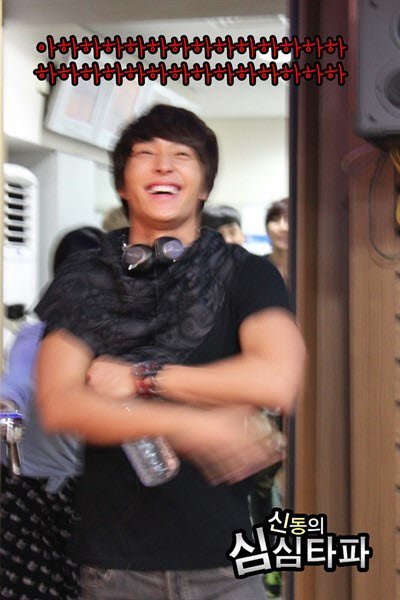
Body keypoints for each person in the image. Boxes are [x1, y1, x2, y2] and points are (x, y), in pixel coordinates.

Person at [35, 104, 305, 600]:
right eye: (145, 154)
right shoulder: (85, 278)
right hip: (115, 566)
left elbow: (276, 378)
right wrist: (190, 424)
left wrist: (142, 376)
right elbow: (59, 402)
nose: (163, 165)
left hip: (226, 561)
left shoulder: (246, 273)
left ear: (204, 186)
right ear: (122, 184)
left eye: (182, 155)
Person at [0, 226, 104, 600]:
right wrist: (7, 415)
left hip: (83, 492)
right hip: (28, 490)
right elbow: (11, 392)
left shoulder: (117, 338)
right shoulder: (35, 335)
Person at [265, 199, 289, 283]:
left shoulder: (313, 269)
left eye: (289, 219)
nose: (283, 228)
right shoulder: (255, 267)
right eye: (275, 220)